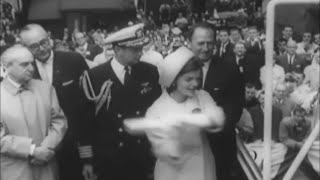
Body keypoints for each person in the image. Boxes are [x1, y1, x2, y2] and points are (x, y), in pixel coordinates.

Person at [79, 23, 162, 180]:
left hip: (142, 156)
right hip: (109, 158)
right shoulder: (94, 76)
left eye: (141, 48)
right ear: (117, 50)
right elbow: (85, 123)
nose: (140, 53)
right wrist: (87, 160)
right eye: (135, 50)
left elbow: (157, 112)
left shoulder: (149, 72)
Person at [19, 24, 89, 180]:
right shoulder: (22, 71)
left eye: (44, 42)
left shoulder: (73, 60)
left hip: (73, 146)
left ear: (49, 38)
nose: (42, 48)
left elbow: (87, 107)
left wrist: (87, 153)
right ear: (25, 48)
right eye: (34, 46)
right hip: (41, 150)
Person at [145, 46, 225, 180]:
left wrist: (202, 119)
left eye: (198, 79)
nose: (195, 84)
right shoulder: (156, 110)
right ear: (174, 80)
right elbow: (162, 149)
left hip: (203, 171)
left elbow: (217, 118)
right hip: (173, 174)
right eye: (189, 79)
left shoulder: (202, 97)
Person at [0, 45, 67, 180]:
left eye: (32, 63)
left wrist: (46, 148)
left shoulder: (45, 88)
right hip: (15, 171)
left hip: (46, 167)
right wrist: (31, 150)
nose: (31, 68)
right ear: (6, 66)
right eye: (24, 64)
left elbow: (59, 122)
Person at [189, 22, 245, 180]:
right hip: (185, 149)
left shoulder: (230, 70)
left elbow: (235, 108)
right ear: (189, 42)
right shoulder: (176, 68)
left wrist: (212, 124)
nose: (206, 48)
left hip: (218, 147)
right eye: (200, 43)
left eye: (210, 43)